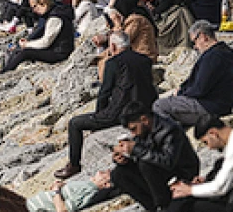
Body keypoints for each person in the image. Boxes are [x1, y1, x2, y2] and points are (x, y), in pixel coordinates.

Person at [56, 31, 159, 179]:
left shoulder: (113, 62)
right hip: (144, 109)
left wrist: (99, 115)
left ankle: (74, 165)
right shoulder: (144, 60)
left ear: (113, 46)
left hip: (120, 113)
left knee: (74, 123)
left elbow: (105, 92)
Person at [112, 102, 200, 212]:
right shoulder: (143, 133)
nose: (133, 133)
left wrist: (136, 149)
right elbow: (144, 155)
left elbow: (168, 160)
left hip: (181, 172)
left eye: (133, 128)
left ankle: (163, 206)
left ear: (144, 120)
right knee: (118, 174)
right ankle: (152, 208)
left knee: (146, 164)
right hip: (158, 171)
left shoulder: (169, 130)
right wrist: (124, 159)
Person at [153, 20, 233, 127]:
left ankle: (170, 137)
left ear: (203, 36)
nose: (195, 46)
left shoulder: (212, 57)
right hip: (222, 105)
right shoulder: (228, 53)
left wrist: (180, 94)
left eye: (194, 41)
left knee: (159, 105)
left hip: (209, 107)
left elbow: (200, 88)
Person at [0, 0, 75, 72]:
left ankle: (5, 71)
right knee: (20, 50)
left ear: (42, 3)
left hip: (59, 53)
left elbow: (46, 42)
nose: (34, 10)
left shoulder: (55, 18)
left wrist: (27, 44)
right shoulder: (56, 10)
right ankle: (6, 68)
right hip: (58, 48)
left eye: (34, 7)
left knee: (25, 53)